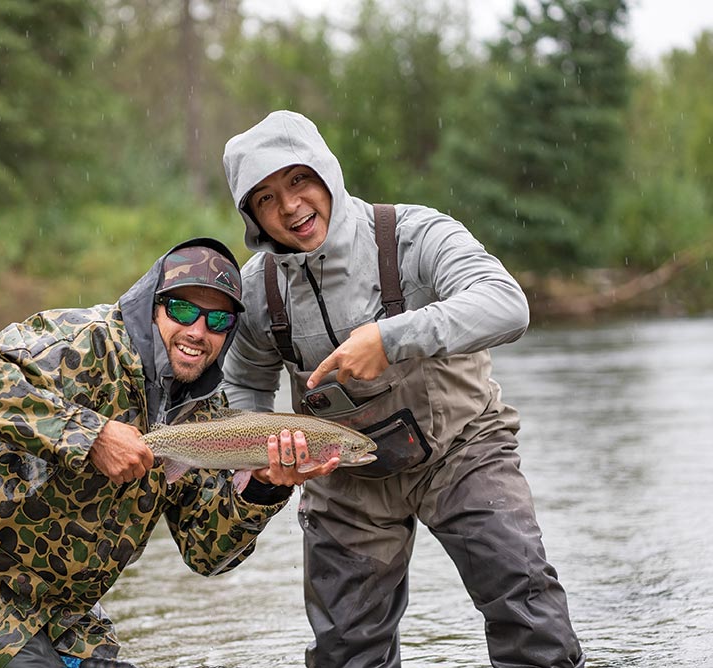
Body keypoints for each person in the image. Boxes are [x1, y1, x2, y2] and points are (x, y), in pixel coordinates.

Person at [220, 110, 585, 668]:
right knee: (346, 652)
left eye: (298, 180)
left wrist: (392, 338)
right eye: (266, 198)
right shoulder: (256, 289)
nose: (290, 206)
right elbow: (244, 381)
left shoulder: (415, 234)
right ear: (252, 216)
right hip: (342, 477)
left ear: (327, 174)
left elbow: (507, 304)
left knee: (524, 608)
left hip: (462, 451)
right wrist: (261, 462)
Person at [0, 237, 338, 668]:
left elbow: (206, 553)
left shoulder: (206, 417)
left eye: (218, 321)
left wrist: (261, 489)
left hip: (59, 603)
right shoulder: (81, 341)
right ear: (154, 306)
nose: (198, 331)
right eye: (183, 309)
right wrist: (90, 434)